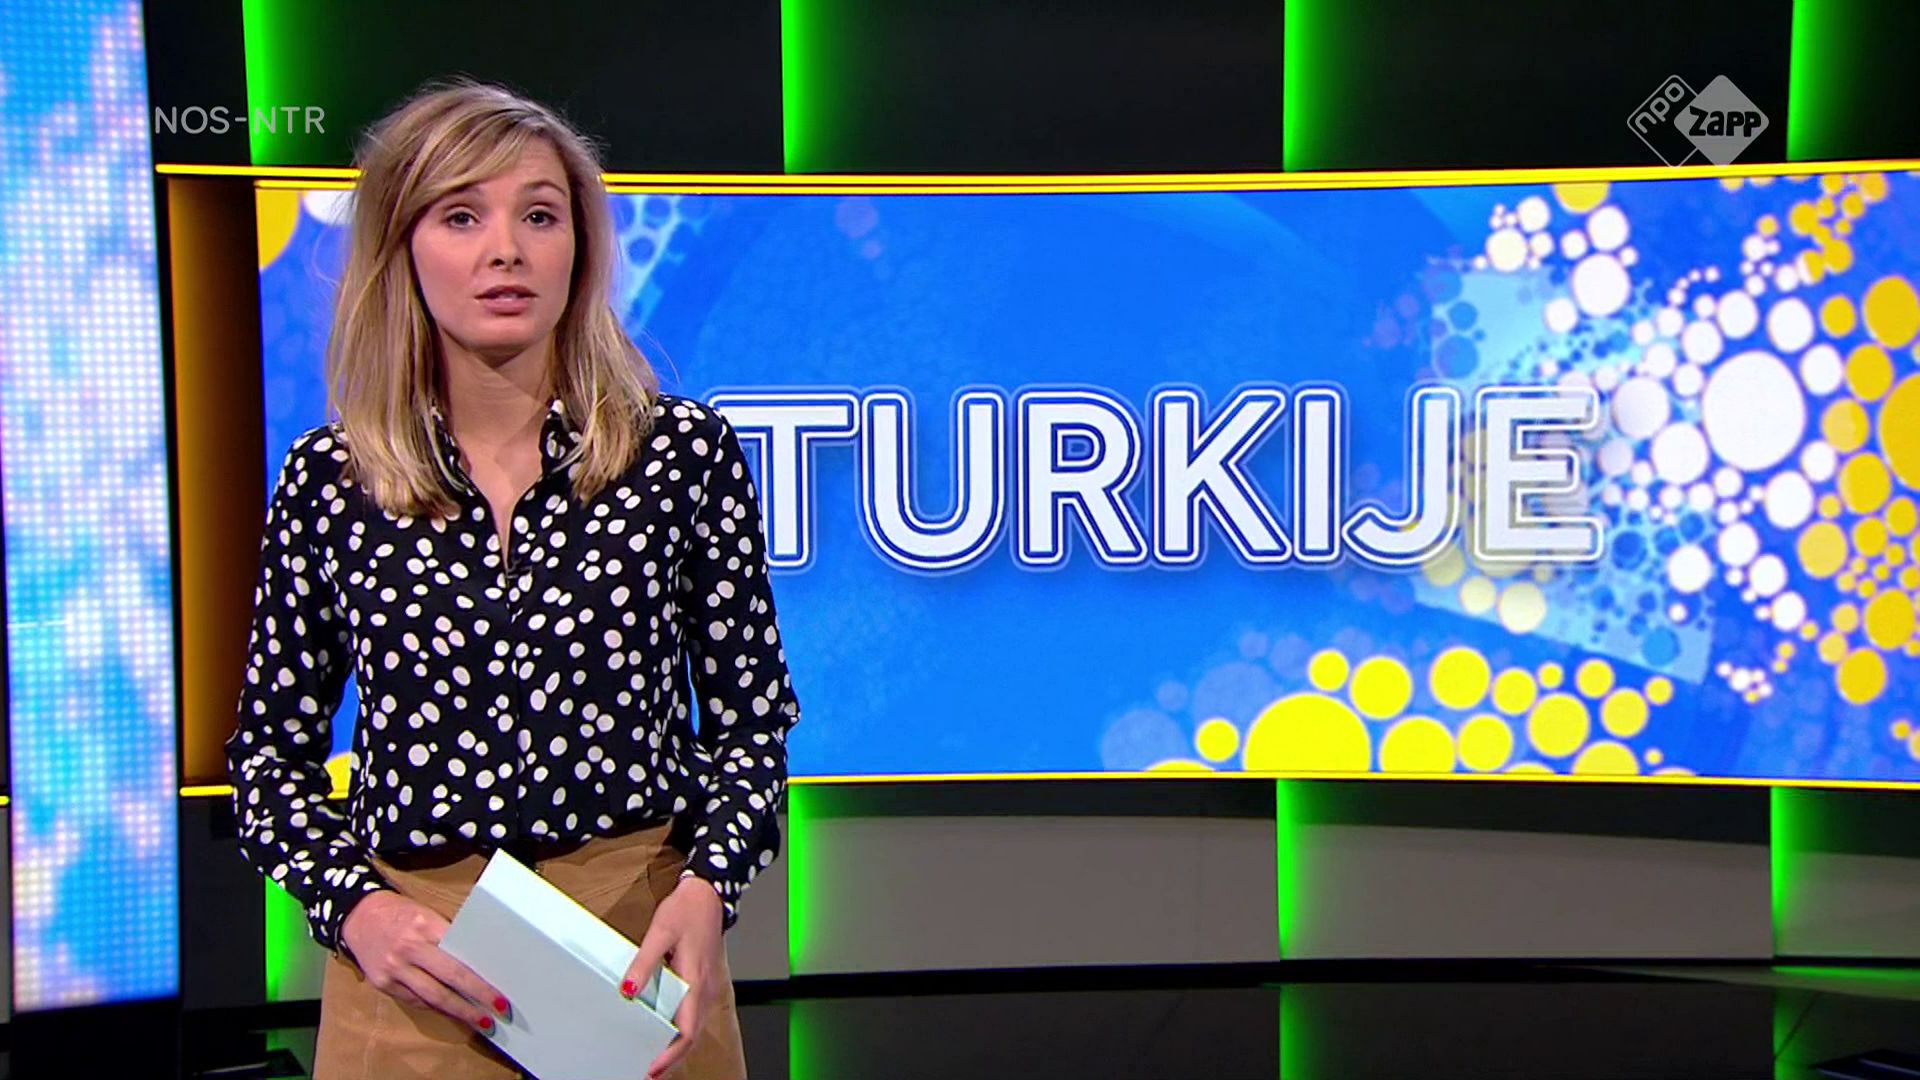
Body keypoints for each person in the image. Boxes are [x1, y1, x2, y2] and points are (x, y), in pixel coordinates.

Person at [225, 79, 799, 1080]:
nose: (507, 250)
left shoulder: (682, 456)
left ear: (580, 246)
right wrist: (354, 910)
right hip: (417, 966)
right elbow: (269, 761)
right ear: (401, 244)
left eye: (539, 215)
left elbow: (753, 726)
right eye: (461, 216)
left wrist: (709, 890)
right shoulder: (331, 480)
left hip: (639, 952)